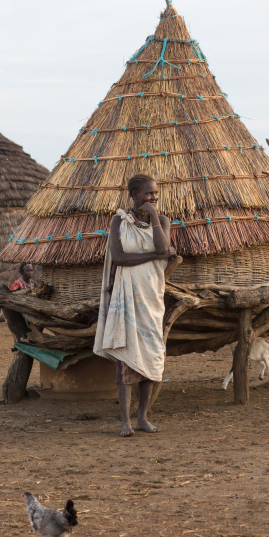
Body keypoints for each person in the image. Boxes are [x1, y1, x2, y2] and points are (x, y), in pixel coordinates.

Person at [94, 174, 176, 437]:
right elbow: (119, 257)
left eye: (155, 194)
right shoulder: (120, 221)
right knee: (126, 360)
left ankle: (142, 417)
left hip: (151, 297)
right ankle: (124, 422)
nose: (153, 198)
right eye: (148, 194)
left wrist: (153, 217)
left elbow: (164, 246)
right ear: (134, 195)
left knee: (150, 360)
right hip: (126, 298)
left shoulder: (162, 221)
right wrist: (155, 256)